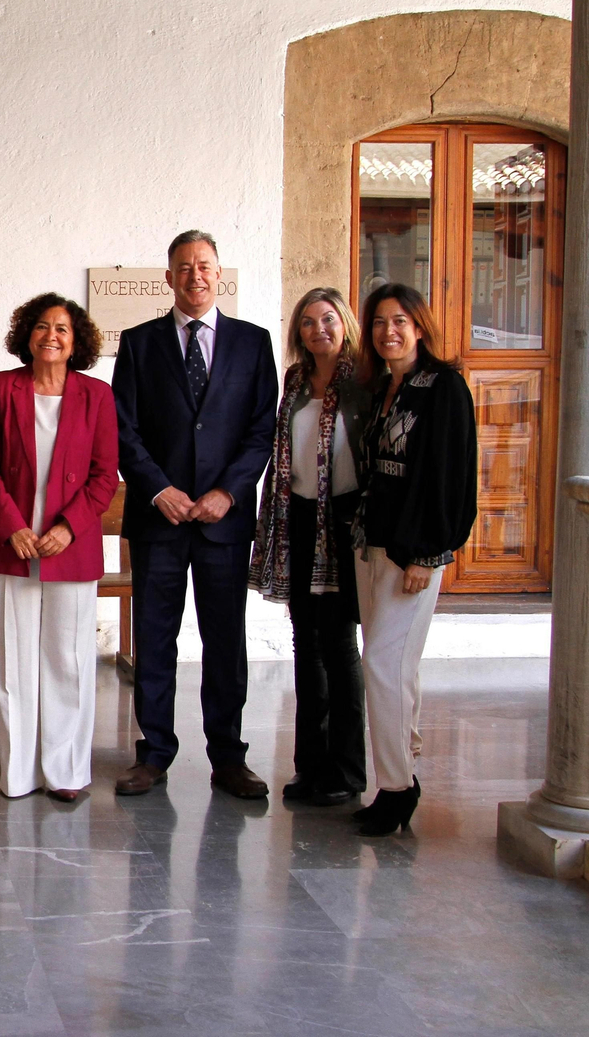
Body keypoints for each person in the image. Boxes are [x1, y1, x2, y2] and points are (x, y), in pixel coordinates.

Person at [110, 230, 278, 798]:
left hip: (223, 522)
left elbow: (261, 430)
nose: (195, 277)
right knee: (155, 640)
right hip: (159, 520)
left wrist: (229, 492)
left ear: (219, 272)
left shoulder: (253, 344)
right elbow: (123, 430)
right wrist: (158, 489)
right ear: (169, 277)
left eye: (204, 266)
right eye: (184, 268)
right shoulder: (138, 344)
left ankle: (229, 758)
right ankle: (153, 753)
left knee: (224, 641)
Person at [0, 294, 118, 802]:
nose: (50, 335)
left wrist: (71, 528)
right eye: (41, 326)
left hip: (70, 548)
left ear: (76, 341)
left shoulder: (97, 395)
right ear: (26, 335)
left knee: (69, 660)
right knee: (15, 662)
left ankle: (66, 771)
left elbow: (104, 476)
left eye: (62, 328)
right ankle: (19, 773)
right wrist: (12, 526)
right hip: (13, 545)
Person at [350, 282, 476, 837]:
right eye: (379, 323)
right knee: (395, 668)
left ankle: (397, 788)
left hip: (412, 554)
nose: (389, 332)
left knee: (382, 665)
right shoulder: (381, 387)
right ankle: (406, 755)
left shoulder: (443, 387)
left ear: (419, 326)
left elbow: (450, 479)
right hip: (371, 545)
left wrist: (428, 553)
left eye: (399, 321)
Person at [249, 287, 372, 807]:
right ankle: (310, 766)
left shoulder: (365, 382)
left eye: (327, 319)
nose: (317, 329)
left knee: (340, 645)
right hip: (296, 518)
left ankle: (345, 771)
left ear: (344, 323)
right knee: (306, 642)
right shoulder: (296, 380)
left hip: (344, 523)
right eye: (307, 322)